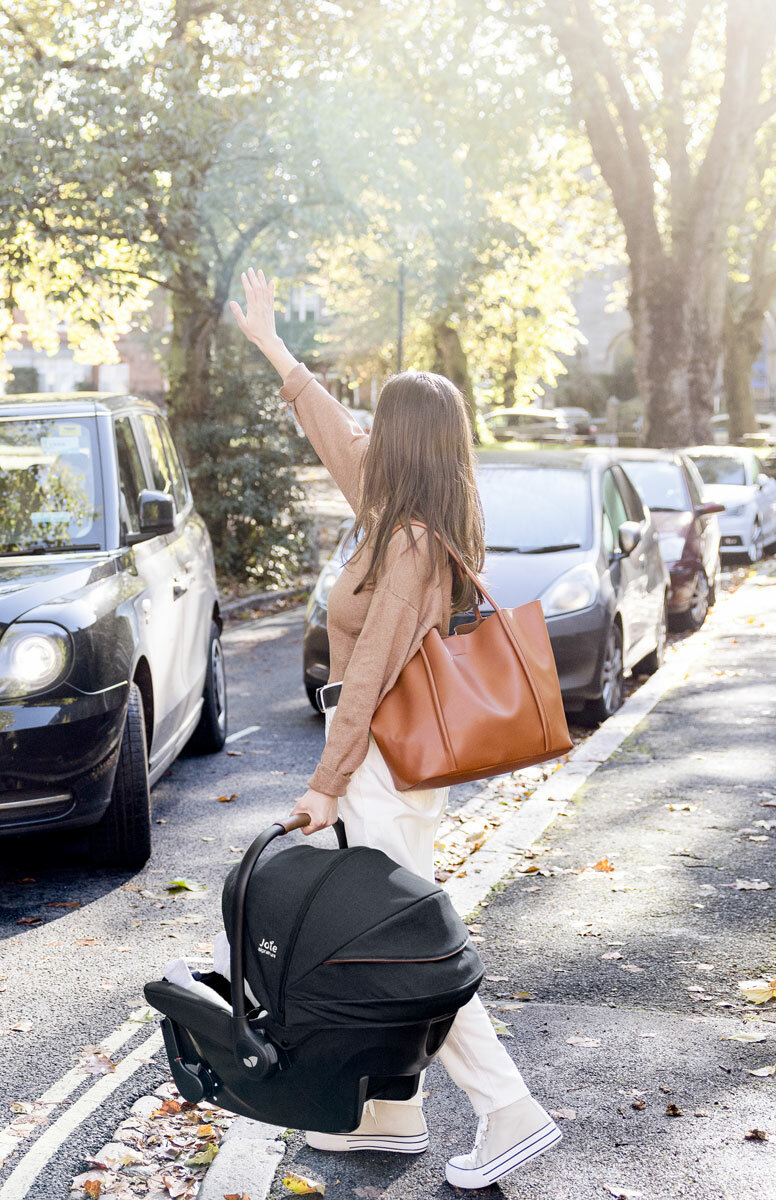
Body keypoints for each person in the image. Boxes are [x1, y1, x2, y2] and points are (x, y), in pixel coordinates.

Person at [230, 267, 562, 1190]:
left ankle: (507, 1107)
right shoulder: (395, 517)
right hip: (375, 762)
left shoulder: (411, 543)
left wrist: (326, 782)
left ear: (407, 446)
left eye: (384, 423)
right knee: (381, 934)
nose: (365, 433)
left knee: (401, 945)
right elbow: (334, 432)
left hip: (377, 763)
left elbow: (369, 670)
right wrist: (273, 345)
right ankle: (391, 1111)